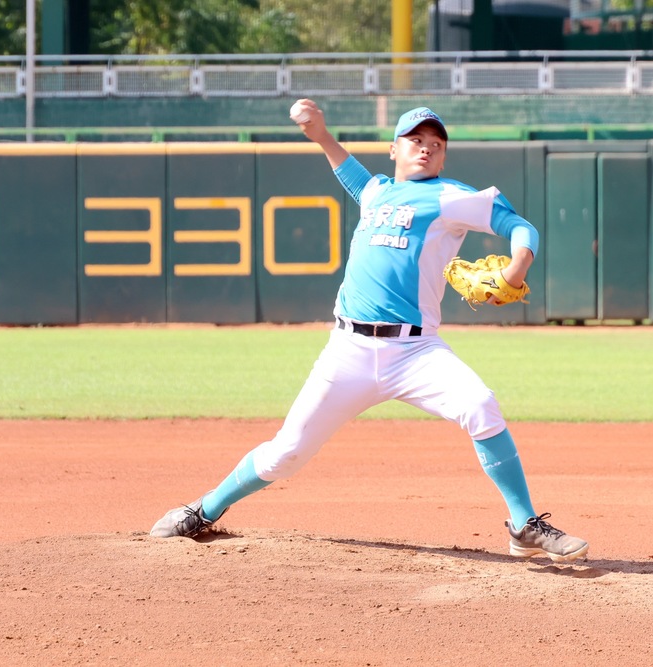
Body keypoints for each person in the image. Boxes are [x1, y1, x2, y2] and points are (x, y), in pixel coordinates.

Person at [150, 100, 589, 563]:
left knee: (480, 404)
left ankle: (524, 524)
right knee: (286, 454)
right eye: (415, 140)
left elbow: (519, 226)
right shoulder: (377, 191)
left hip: (416, 351)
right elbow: (350, 172)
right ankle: (204, 509)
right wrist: (321, 134)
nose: (426, 148)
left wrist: (517, 267)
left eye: (436, 144)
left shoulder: (450, 197)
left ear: (443, 158)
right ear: (394, 149)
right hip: (349, 351)